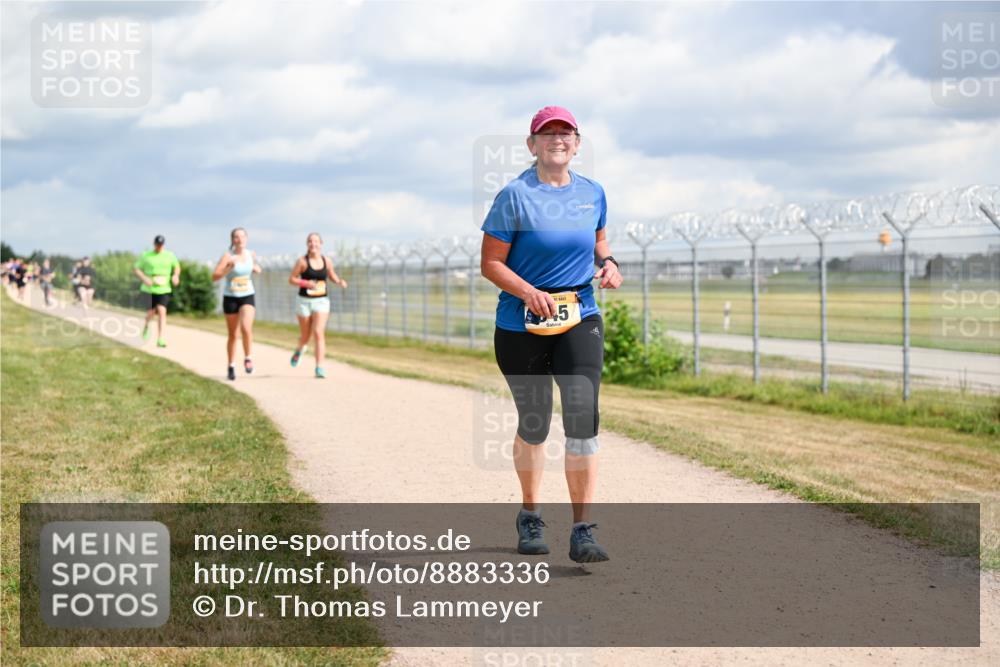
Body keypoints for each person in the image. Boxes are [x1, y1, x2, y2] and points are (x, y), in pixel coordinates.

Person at [480, 106, 623, 563]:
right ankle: (531, 514)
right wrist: (527, 292)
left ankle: (582, 529)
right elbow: (491, 263)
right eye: (547, 134)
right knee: (536, 423)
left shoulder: (593, 192)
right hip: (522, 323)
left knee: (583, 416)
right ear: (532, 145)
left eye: (565, 133)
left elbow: (599, 241)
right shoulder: (514, 196)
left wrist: (610, 263)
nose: (557, 140)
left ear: (577, 143)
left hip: (580, 314)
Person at [287, 233, 347, 378]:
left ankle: (319, 367)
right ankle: (300, 349)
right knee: (305, 335)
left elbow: (331, 275)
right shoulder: (302, 262)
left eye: (316, 241)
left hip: (321, 301)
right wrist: (305, 283)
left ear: (321, 244)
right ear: (307, 244)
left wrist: (339, 281)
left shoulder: (327, 261)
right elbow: (291, 279)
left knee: (318, 332)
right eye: (310, 241)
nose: (313, 244)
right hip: (304, 301)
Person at [212, 228, 261, 380]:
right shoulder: (228, 256)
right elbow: (215, 276)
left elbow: (254, 266)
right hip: (231, 297)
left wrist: (255, 268)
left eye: (242, 236)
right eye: (236, 237)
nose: (240, 240)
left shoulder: (251, 254)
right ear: (233, 240)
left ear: (246, 238)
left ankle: (248, 358)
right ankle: (231, 366)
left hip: (247, 295)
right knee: (233, 334)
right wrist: (228, 268)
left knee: (246, 328)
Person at [133, 235, 181, 347]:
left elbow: (177, 267)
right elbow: (136, 269)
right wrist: (145, 279)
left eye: (161, 245)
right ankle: (146, 326)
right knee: (151, 312)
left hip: (164, 289)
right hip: (149, 289)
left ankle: (160, 338)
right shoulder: (146, 255)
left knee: (162, 311)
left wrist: (175, 276)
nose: (159, 247)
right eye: (157, 244)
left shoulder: (169, 255)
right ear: (154, 244)